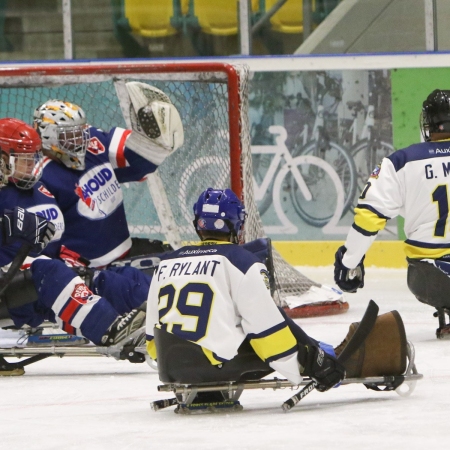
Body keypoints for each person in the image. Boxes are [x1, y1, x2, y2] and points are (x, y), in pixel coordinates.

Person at [145, 187, 346, 401]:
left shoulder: (166, 263)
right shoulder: (242, 261)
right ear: (237, 225)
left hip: (170, 365)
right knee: (263, 327)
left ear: (198, 224)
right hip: (215, 366)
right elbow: (266, 330)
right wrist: (309, 360)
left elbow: (151, 334)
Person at [334, 88, 450, 338]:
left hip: (429, 279)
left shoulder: (402, 161)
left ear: (429, 123)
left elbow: (369, 217)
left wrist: (350, 261)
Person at [33, 82, 183, 268]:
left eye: (80, 133)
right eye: (70, 136)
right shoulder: (38, 176)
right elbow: (42, 242)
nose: (79, 141)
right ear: (48, 137)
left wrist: (154, 136)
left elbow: (142, 161)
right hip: (90, 272)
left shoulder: (93, 141)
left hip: (126, 255)